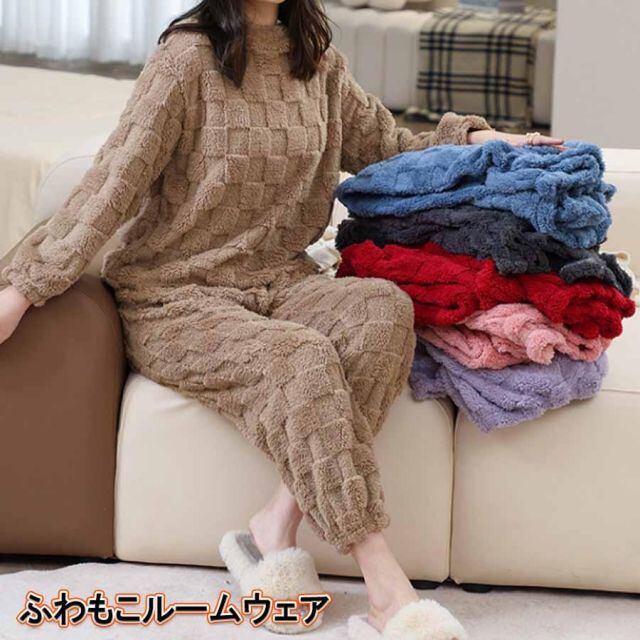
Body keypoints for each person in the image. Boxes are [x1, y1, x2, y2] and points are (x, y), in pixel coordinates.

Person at [0, 0, 563, 636]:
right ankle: (386, 585)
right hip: (175, 294)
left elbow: (390, 148)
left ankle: (275, 522)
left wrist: (487, 143)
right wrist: (22, 290)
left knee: (382, 310)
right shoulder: (185, 58)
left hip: (282, 278)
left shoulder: (316, 58)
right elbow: (112, 182)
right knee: (300, 356)